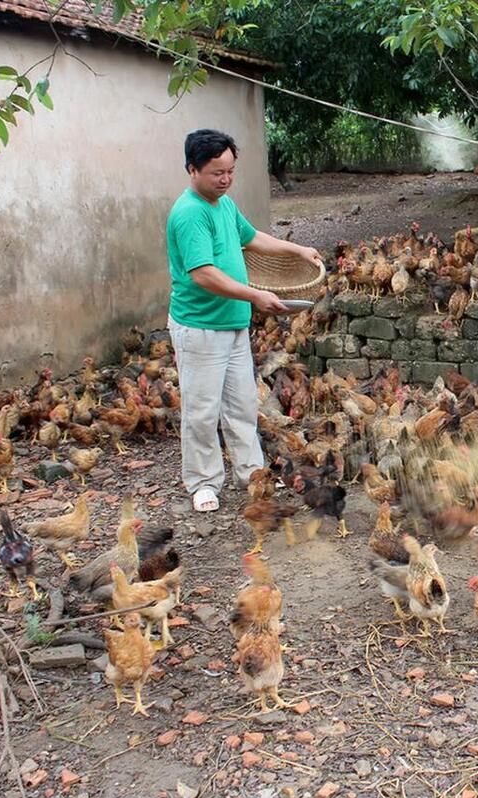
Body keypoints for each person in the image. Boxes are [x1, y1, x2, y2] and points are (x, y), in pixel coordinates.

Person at [166, 129, 322, 513]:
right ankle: (203, 482)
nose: (226, 179)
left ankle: (252, 473)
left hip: (232, 323)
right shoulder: (190, 214)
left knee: (242, 405)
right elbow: (203, 274)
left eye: (230, 171)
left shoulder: (224, 205)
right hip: (201, 326)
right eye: (217, 172)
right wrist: (254, 296)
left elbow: (253, 239)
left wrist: (298, 249)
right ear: (192, 169)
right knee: (202, 411)